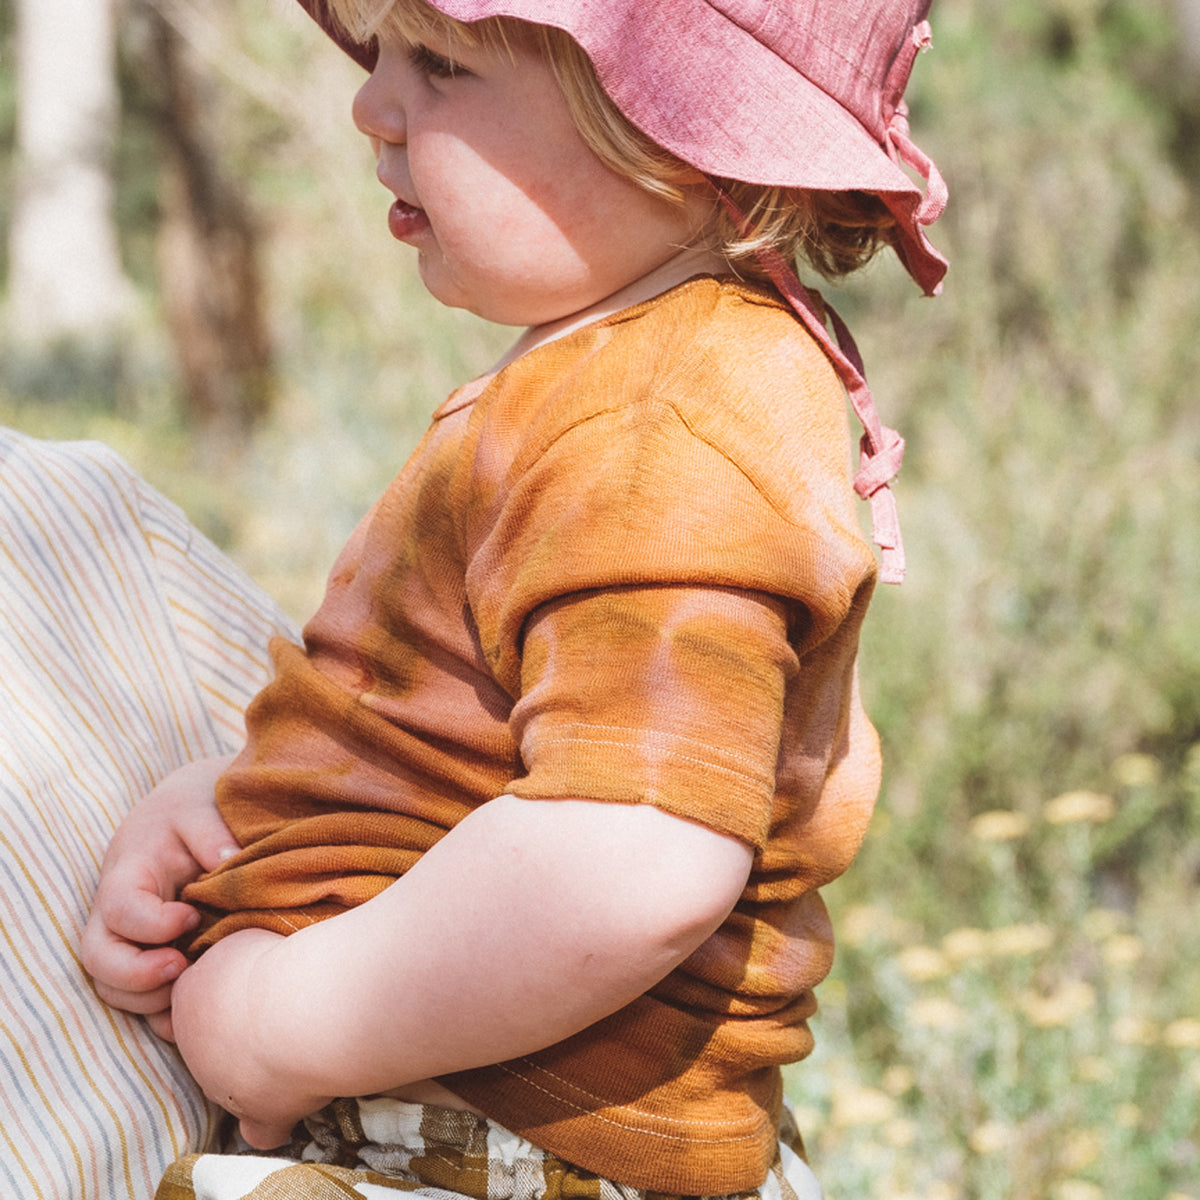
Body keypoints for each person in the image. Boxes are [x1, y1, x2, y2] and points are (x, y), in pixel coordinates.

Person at [80, 1, 948, 1197]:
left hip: (506, 1149)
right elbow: (495, 733)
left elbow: (629, 850)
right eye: (383, 53)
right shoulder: (607, 371)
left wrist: (287, 1025)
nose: (371, 105)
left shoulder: (665, 421)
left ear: (684, 143)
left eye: (440, 64)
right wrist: (255, 806)